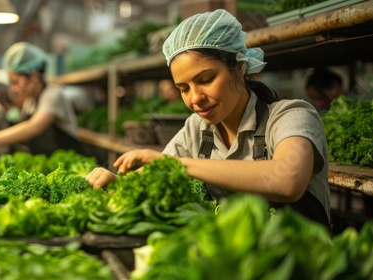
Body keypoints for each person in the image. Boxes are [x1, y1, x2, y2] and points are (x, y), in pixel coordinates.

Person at [85, 9, 331, 228]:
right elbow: (158, 176)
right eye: (184, 88)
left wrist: (178, 165)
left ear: (239, 67)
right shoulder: (197, 128)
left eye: (205, 80)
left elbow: (287, 181)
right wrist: (116, 182)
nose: (195, 98)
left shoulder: (291, 115)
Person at [0, 42, 82, 157]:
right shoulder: (30, 101)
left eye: (15, 82)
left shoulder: (53, 94)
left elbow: (34, 127)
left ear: (34, 76)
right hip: (47, 161)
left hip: (67, 160)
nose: (13, 88)